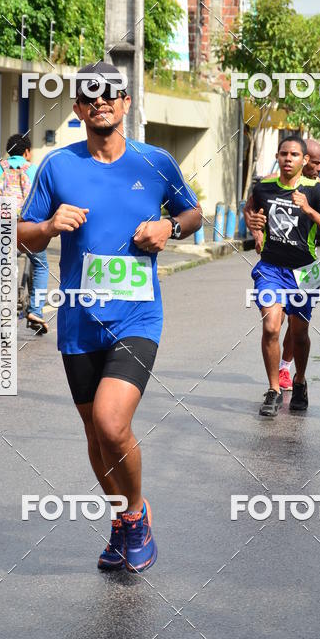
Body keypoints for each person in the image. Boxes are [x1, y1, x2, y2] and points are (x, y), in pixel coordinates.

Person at [17, 61, 202, 573]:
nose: (101, 101)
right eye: (89, 95)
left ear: (124, 103)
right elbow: (23, 233)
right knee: (95, 435)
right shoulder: (58, 166)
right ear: (78, 108)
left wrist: (170, 228)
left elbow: (192, 212)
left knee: (110, 421)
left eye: (110, 93)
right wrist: (50, 225)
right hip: (79, 321)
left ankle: (137, 515)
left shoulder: (154, 161)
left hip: (137, 319)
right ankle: (121, 521)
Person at [246, 135, 320, 415]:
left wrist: (309, 210)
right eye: (283, 154)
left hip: (304, 272)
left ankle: (299, 381)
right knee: (272, 327)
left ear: (304, 160)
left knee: (299, 335)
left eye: (294, 155)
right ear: (277, 157)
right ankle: (274, 390)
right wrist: (254, 228)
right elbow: (250, 208)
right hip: (271, 269)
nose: (288, 159)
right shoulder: (263, 188)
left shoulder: (317, 191)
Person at [0, 133, 50, 333]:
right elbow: (42, 202)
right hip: (27, 228)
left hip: (4, 228)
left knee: (4, 268)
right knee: (40, 265)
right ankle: (36, 312)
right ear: (26, 152)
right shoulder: (33, 169)